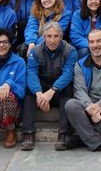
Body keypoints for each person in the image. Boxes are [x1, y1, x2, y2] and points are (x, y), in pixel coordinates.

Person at [63, 27, 101, 152]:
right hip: (87, 107)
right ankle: (98, 142)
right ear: (88, 44)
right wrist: (90, 107)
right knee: (70, 104)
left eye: (98, 41)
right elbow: (79, 90)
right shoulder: (80, 64)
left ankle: (81, 139)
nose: (95, 45)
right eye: (91, 42)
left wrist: (98, 106)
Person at [21, 21, 77, 150]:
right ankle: (28, 133)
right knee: (29, 91)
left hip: (58, 89)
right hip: (42, 88)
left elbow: (68, 74)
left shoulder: (70, 51)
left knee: (68, 89)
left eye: (56, 36)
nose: (52, 40)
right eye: (49, 36)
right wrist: (39, 94)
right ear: (44, 37)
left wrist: (52, 91)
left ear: (61, 37)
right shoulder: (35, 51)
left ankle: (64, 133)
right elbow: (31, 73)